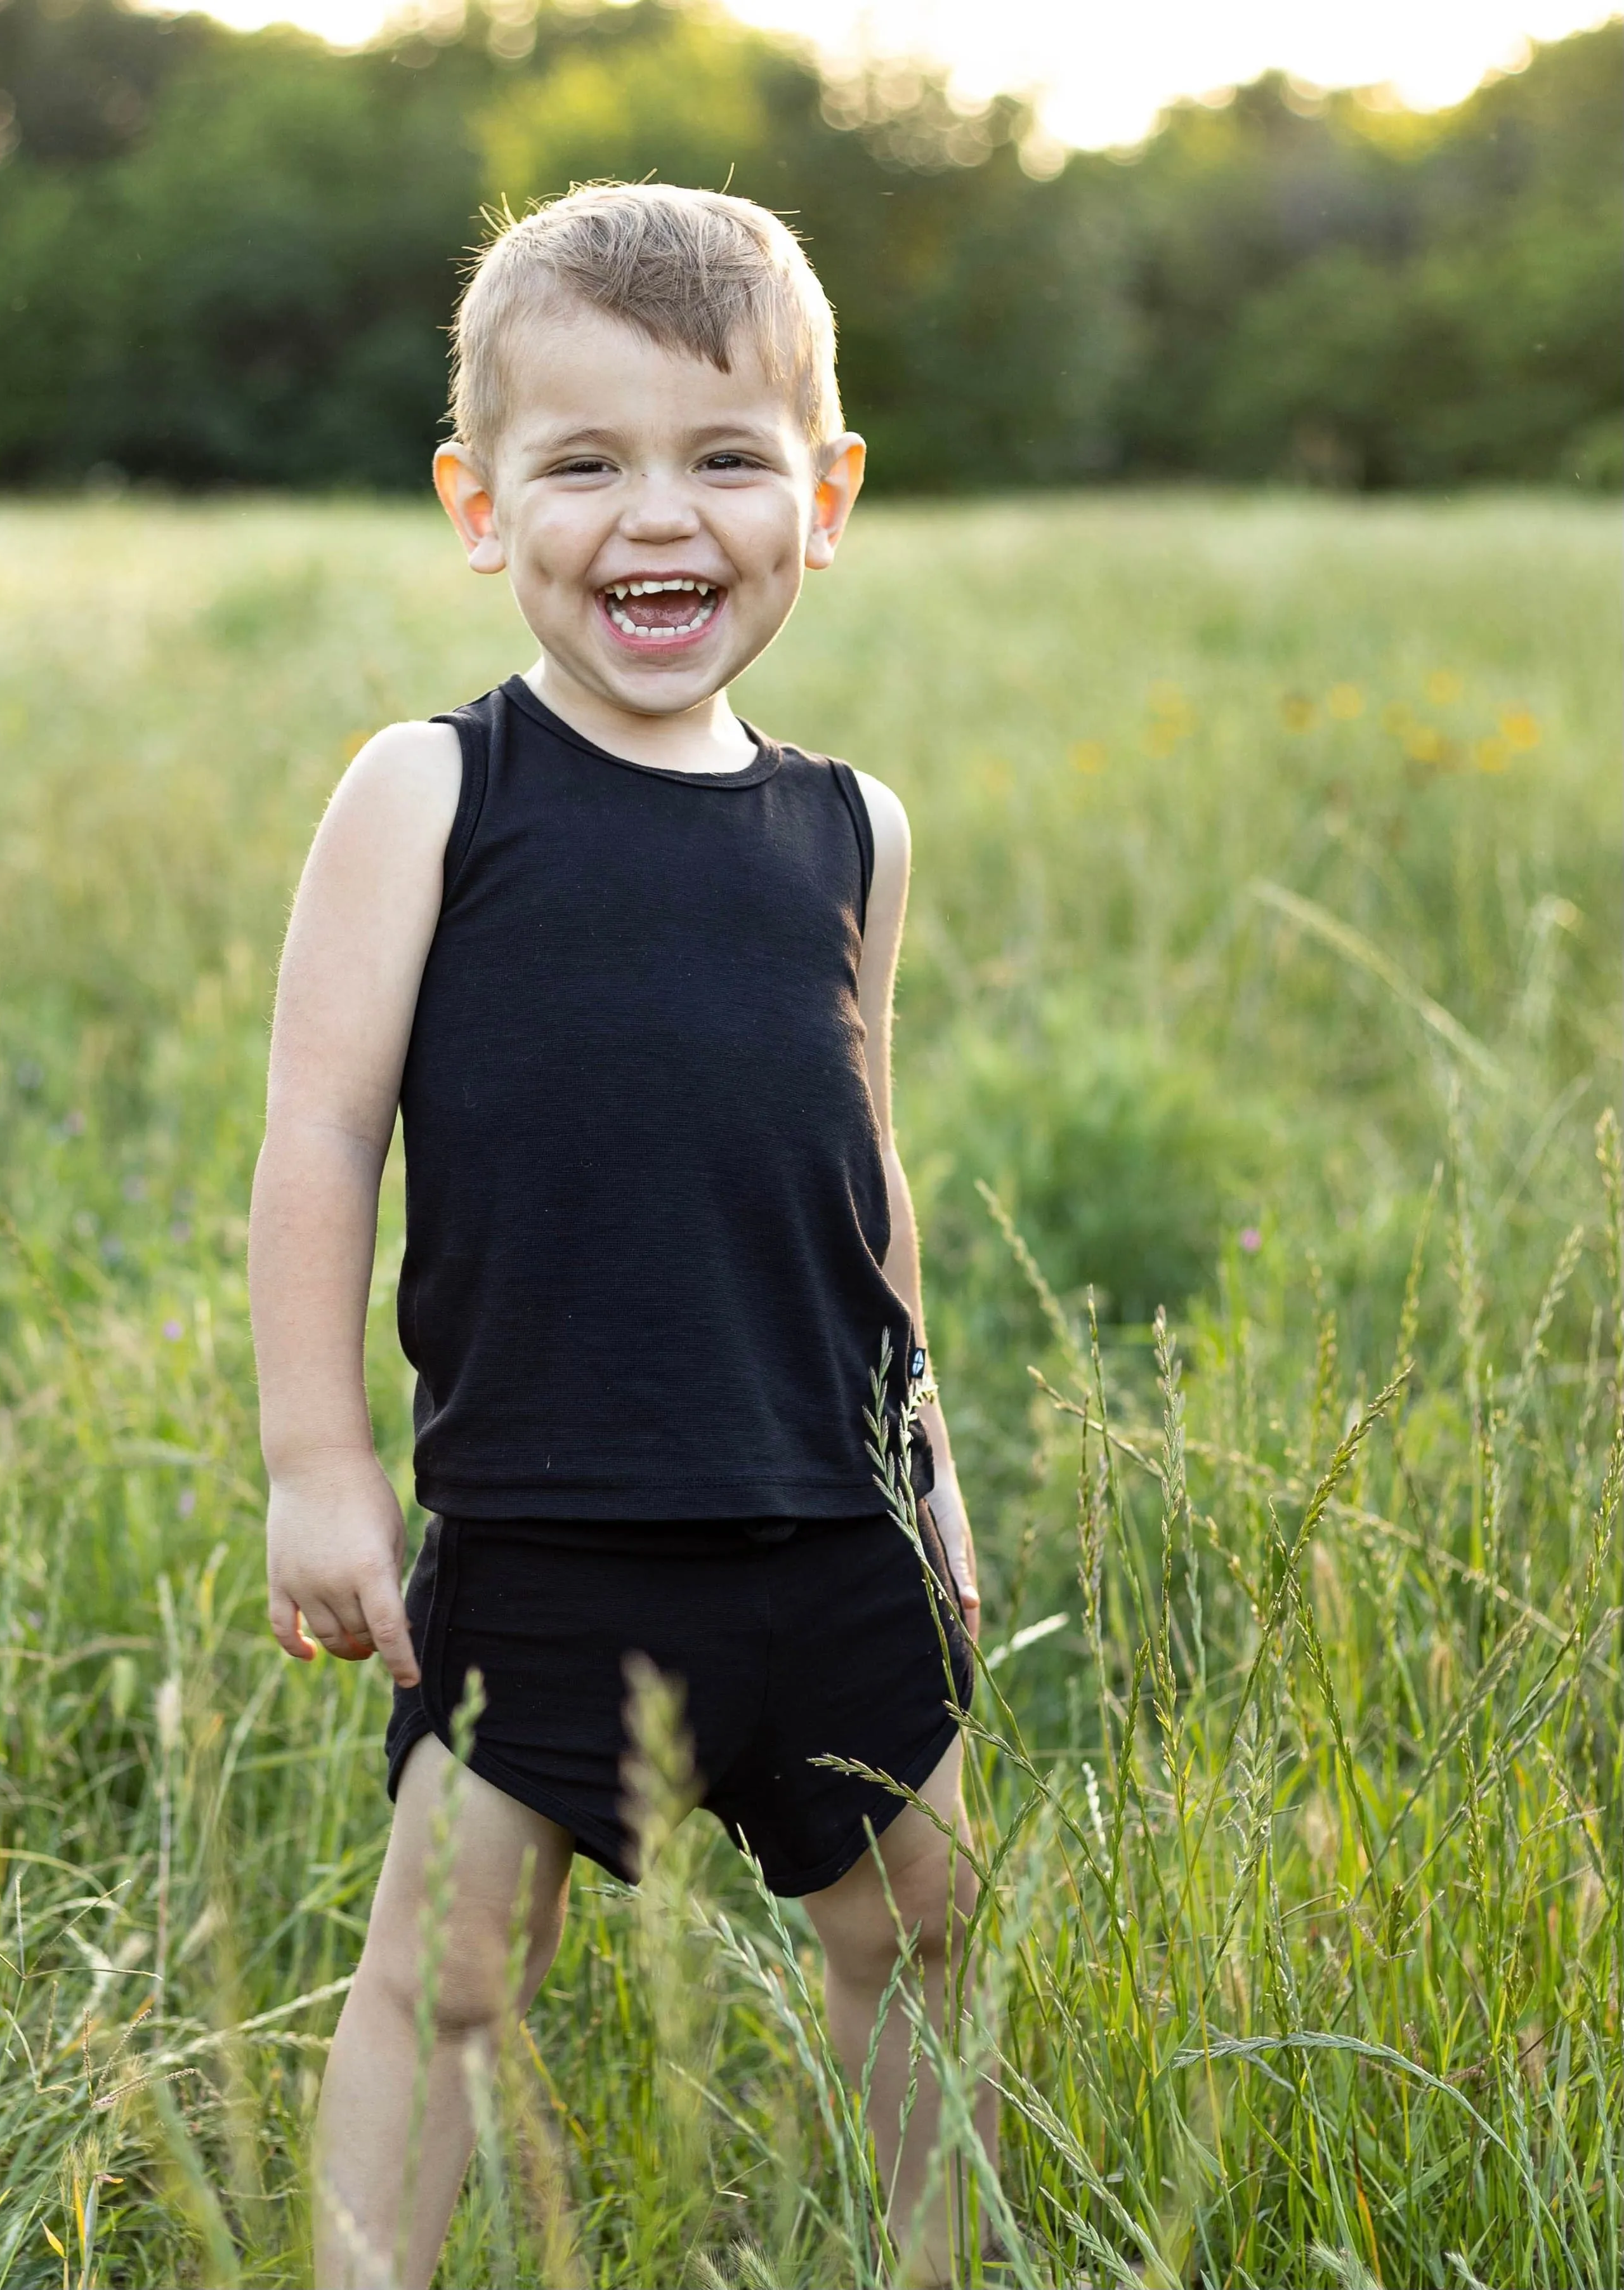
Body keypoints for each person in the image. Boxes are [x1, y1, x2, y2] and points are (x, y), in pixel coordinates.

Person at [246, 181, 995, 2288]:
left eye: (725, 456)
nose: (657, 519)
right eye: (584, 464)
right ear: (480, 505)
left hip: (822, 1514)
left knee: (919, 1927)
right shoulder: (433, 789)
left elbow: (865, 1154)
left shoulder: (853, 826)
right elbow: (317, 1134)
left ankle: (939, 2262)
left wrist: (920, 1444)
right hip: (553, 1517)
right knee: (454, 1960)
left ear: (825, 495)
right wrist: (320, 1464)